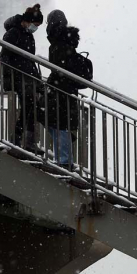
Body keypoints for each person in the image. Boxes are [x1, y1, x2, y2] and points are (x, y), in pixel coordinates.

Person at [44, 23, 91, 169]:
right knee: (59, 125)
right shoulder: (70, 52)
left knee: (57, 125)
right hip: (66, 95)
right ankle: (64, 159)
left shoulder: (58, 49)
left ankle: (64, 161)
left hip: (59, 93)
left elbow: (59, 69)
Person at [0, 4, 44, 149]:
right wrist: (9, 77)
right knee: (29, 104)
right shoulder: (13, 32)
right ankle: (20, 139)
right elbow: (5, 56)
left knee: (32, 106)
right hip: (17, 76)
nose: (35, 28)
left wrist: (37, 79)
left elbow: (30, 60)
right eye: (34, 25)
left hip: (27, 76)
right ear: (27, 21)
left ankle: (24, 140)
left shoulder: (28, 35)